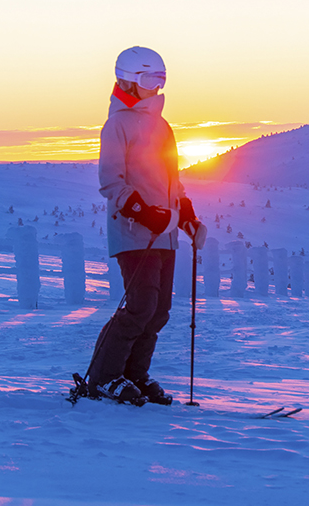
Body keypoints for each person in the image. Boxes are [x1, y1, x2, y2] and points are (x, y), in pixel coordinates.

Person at [89, 46, 207, 406]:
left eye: (162, 79)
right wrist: (142, 212)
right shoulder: (117, 124)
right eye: (150, 79)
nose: (157, 87)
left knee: (158, 311)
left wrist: (185, 214)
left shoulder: (162, 126)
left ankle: (134, 375)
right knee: (140, 306)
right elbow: (111, 181)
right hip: (133, 231)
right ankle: (104, 378)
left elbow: (173, 179)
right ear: (128, 79)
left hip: (165, 233)